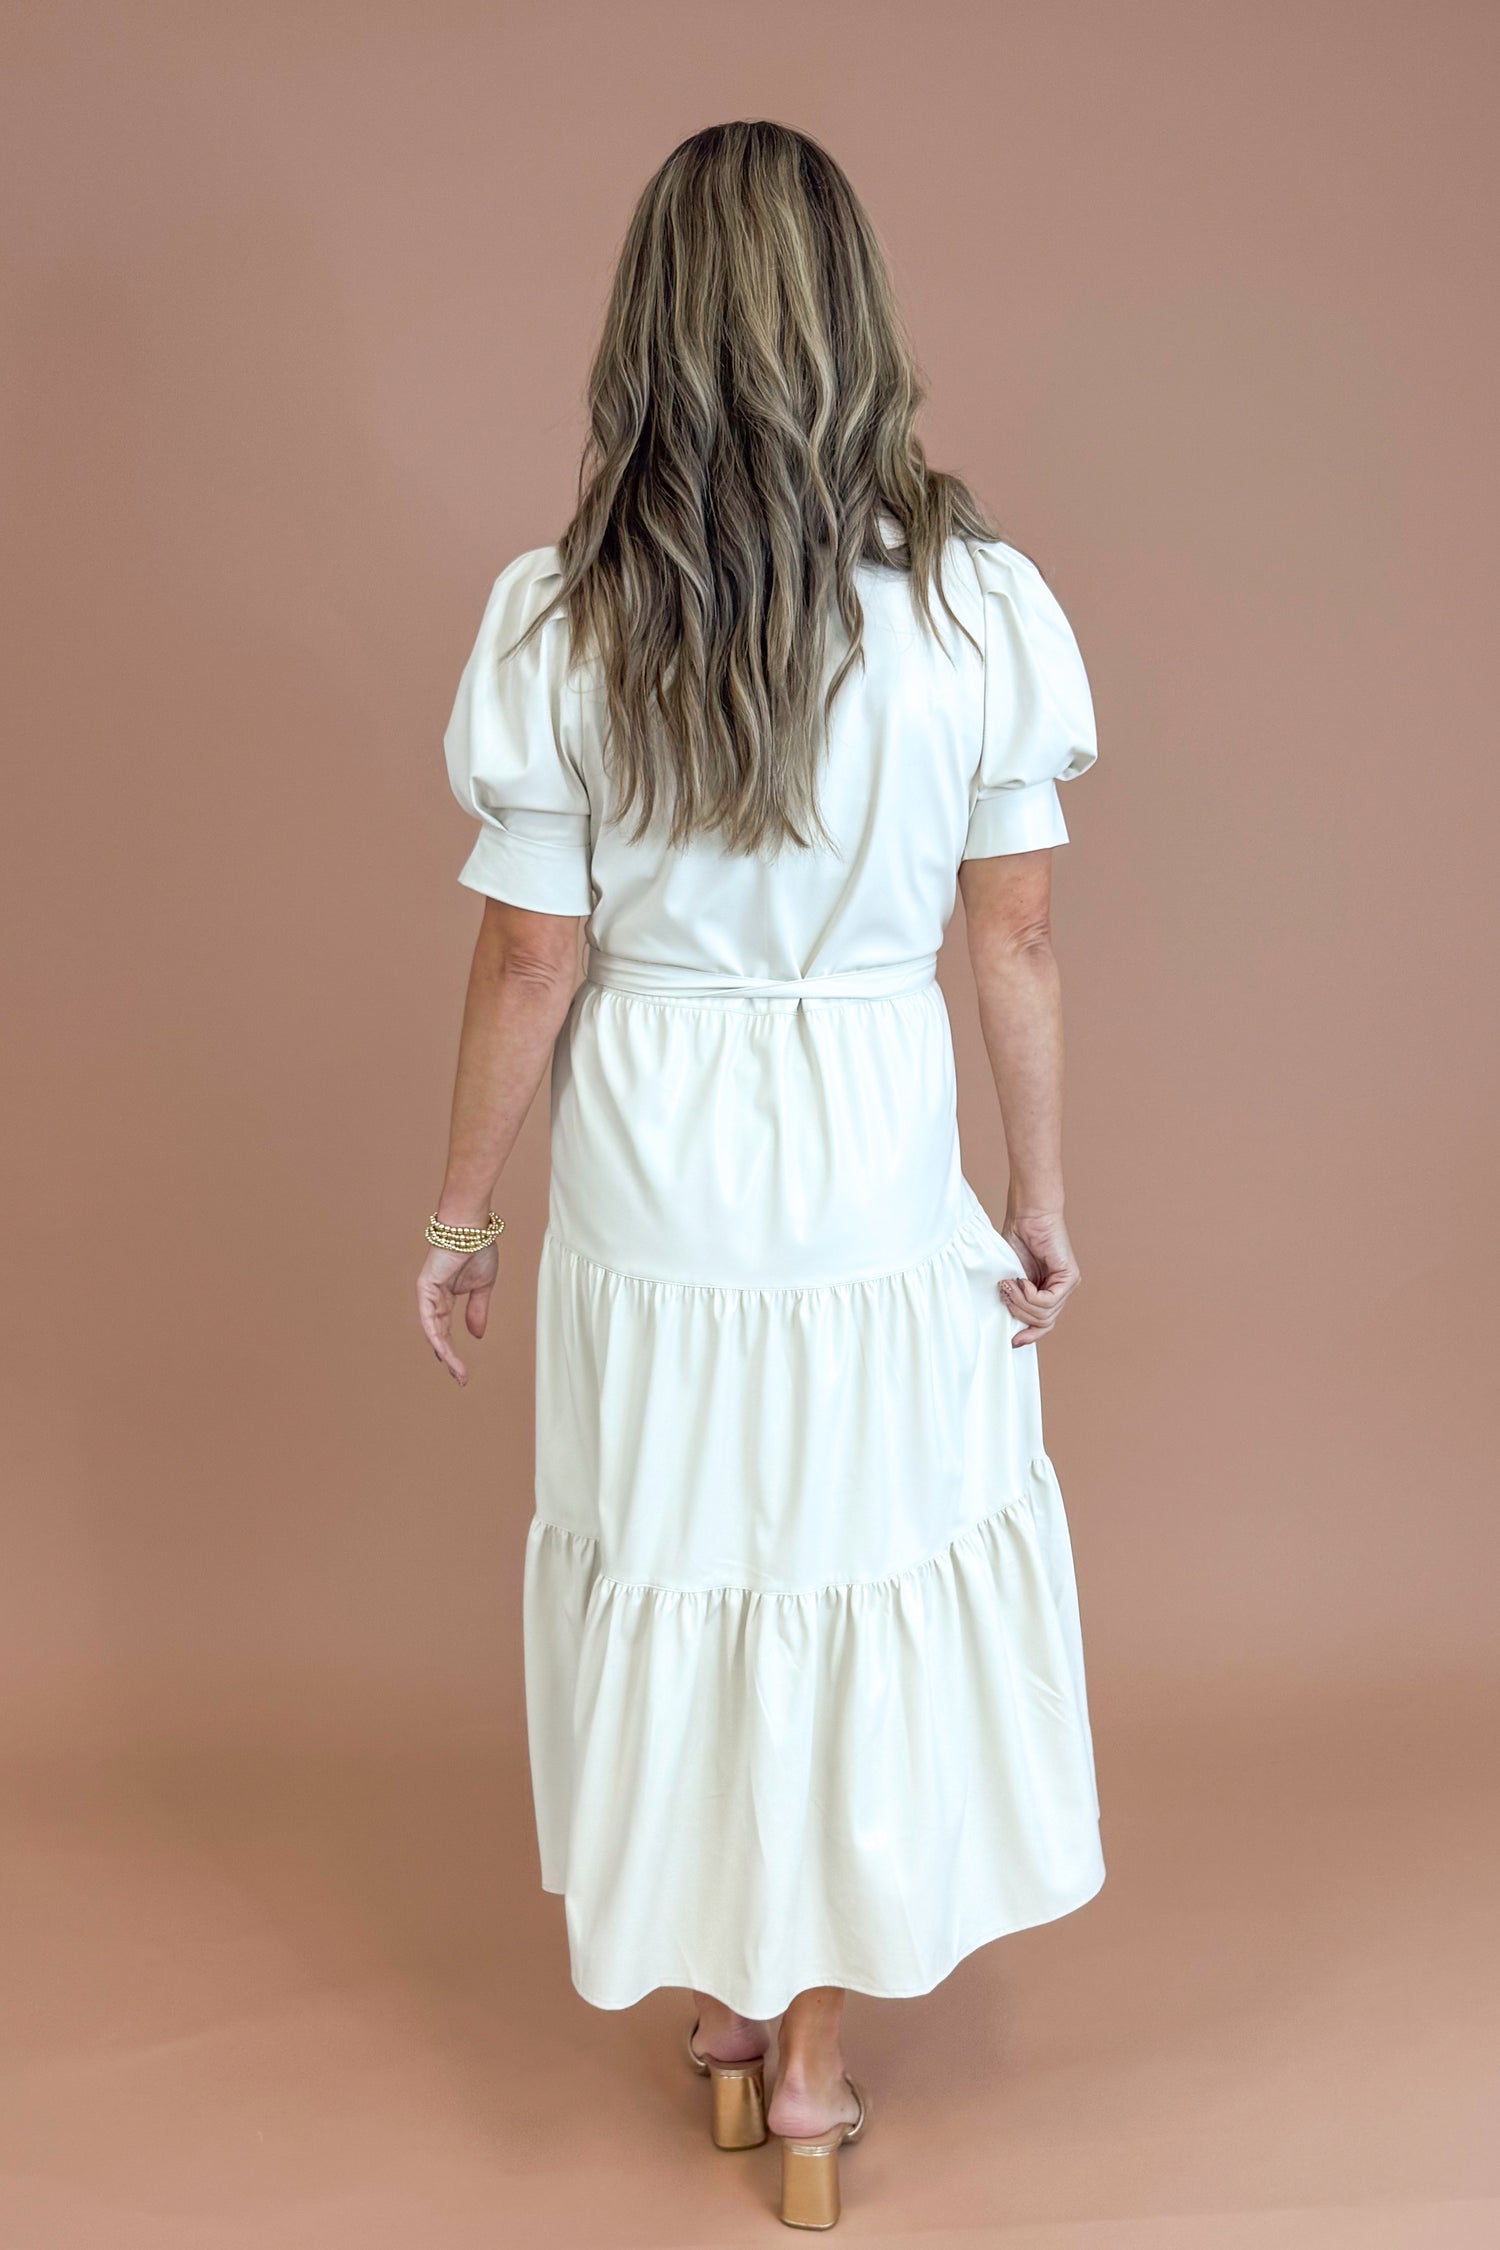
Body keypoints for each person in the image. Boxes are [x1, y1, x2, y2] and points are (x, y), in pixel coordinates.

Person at [416, 119, 1103, 2231]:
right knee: (836, 1563)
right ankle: (809, 2083)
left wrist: (459, 1210)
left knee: (685, 1554)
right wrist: (1038, 1192)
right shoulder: (976, 609)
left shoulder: (562, 617)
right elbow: (1014, 939)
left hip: (656, 1168)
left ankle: (724, 2016)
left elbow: (538, 957)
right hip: (871, 1152)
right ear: (851, 330)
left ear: (647, 333)